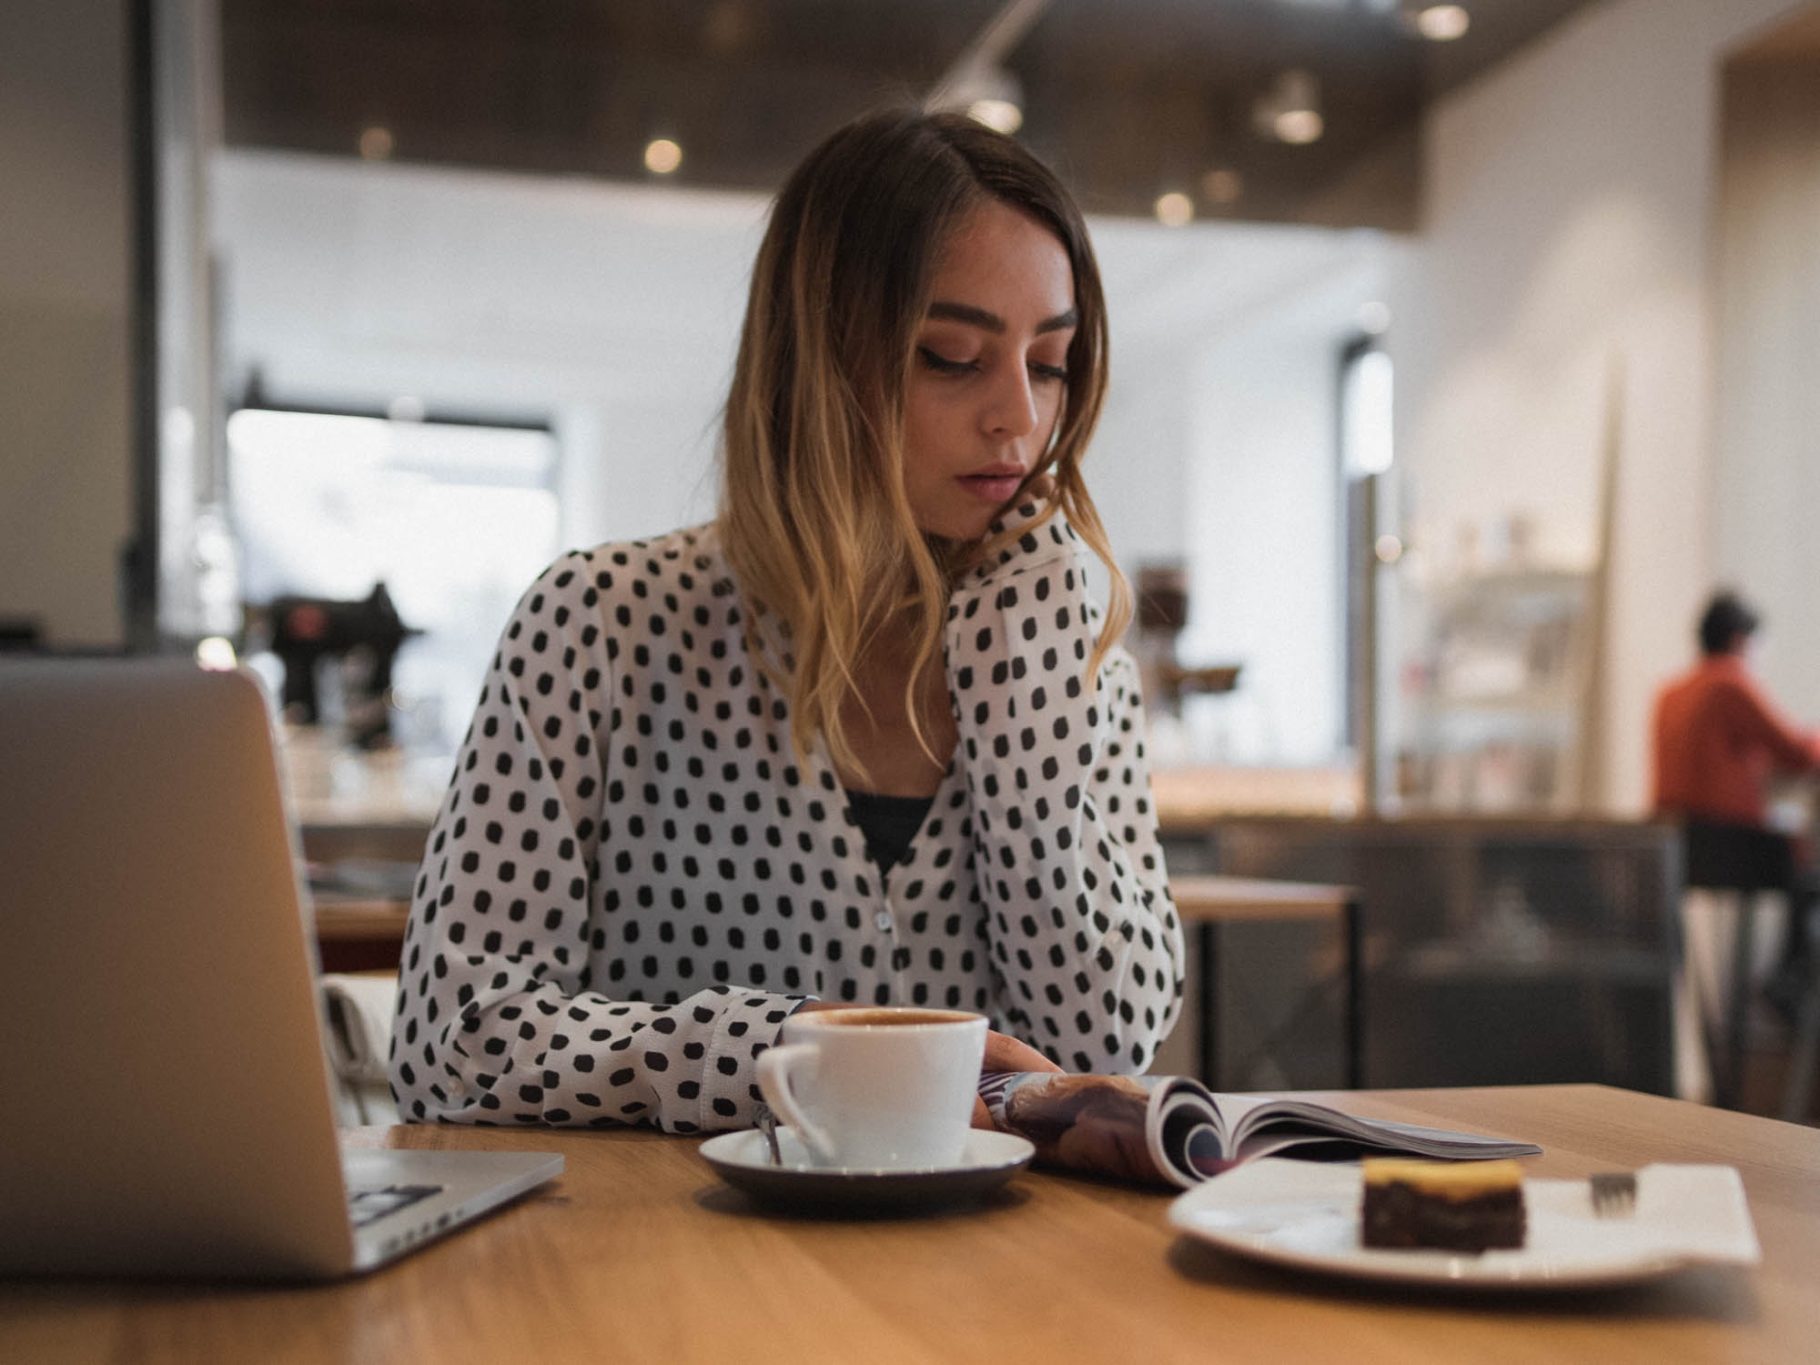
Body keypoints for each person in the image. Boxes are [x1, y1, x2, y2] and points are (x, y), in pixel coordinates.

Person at [388, 109, 1186, 1133]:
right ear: (820, 362)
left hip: (980, 1277)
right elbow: (451, 1045)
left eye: (1048, 362)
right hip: (662, 1269)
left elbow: (1095, 1051)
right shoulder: (597, 626)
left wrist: (1025, 696)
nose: (1019, 422)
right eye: (949, 356)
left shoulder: (1070, 670)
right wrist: (781, 1055)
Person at [1652, 590, 1820, 1001]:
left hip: (1674, 842)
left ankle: (1789, 978)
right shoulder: (1730, 683)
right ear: (1742, 640)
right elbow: (1796, 751)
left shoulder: (1671, 692)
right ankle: (1792, 975)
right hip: (1728, 842)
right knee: (1808, 870)